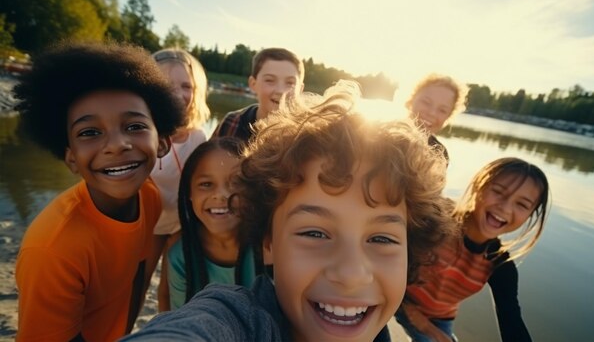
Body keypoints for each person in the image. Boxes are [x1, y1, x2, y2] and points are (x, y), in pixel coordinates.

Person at [121, 80, 457, 342]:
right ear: (268, 242)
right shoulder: (235, 318)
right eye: (314, 232)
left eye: (382, 238)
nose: (351, 273)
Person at [13, 42, 185, 341]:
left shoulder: (150, 197)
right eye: (89, 132)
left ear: (163, 142)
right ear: (70, 157)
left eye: (134, 126)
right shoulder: (52, 250)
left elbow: (135, 280)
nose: (117, 144)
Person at [395, 157, 550, 342]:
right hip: (399, 300)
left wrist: (433, 329)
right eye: (499, 191)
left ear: (529, 216)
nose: (505, 207)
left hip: (442, 317)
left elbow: (512, 323)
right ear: (479, 185)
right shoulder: (434, 217)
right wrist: (422, 324)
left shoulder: (499, 265)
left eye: (522, 204)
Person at [167, 137, 260, 310]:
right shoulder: (181, 256)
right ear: (189, 193)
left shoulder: (269, 247)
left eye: (235, 182)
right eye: (206, 184)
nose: (221, 195)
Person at [150, 48, 210, 312]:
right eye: (166, 85)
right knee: (135, 283)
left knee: (169, 288)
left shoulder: (197, 138)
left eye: (186, 86)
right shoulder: (137, 132)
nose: (177, 93)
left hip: (179, 224)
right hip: (145, 225)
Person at [212, 47, 304, 142]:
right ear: (253, 84)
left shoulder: (305, 136)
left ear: (300, 89)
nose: (280, 91)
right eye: (270, 80)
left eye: (290, 83)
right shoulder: (231, 123)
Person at [405, 73, 468, 162]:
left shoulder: (440, 155)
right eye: (426, 102)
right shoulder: (382, 136)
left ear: (449, 116)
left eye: (442, 110)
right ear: (411, 99)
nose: (432, 113)